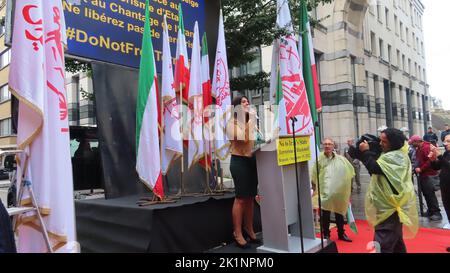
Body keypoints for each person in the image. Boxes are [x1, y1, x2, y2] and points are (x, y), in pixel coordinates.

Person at [359, 128, 418, 253]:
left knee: (383, 243)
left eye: (384, 142)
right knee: (396, 240)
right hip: (388, 206)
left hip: (390, 208)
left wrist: (365, 152)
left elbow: (374, 168)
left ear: (393, 143)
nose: (380, 144)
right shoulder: (394, 155)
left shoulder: (395, 157)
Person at [226, 95, 260, 249]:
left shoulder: (250, 121)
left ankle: (250, 229)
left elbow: (259, 140)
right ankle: (237, 232)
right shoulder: (231, 123)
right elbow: (242, 140)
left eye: (247, 101)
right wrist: (251, 120)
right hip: (239, 162)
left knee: (250, 197)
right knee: (241, 198)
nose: (247, 103)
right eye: (243, 102)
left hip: (252, 161)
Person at [311, 138, 355, 242]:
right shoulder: (319, 160)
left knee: (339, 213)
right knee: (325, 215)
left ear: (333, 146)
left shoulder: (340, 159)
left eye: (329, 144)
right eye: (325, 144)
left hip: (338, 192)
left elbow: (349, 172)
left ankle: (341, 233)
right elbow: (314, 175)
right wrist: (314, 189)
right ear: (322, 146)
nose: (327, 146)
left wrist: (347, 191)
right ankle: (326, 234)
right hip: (325, 192)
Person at [409, 135, 442, 221]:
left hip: (429, 175)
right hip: (424, 175)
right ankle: (431, 210)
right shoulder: (419, 148)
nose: (412, 144)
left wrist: (421, 168)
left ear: (417, 141)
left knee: (430, 194)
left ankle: (436, 212)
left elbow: (429, 161)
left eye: (413, 143)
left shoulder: (426, 148)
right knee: (426, 194)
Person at [429, 134, 450, 229]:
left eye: (448, 141)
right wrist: (432, 160)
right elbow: (437, 167)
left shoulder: (443, 155)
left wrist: (440, 156)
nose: (446, 144)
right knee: (447, 208)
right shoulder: (446, 153)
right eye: (445, 141)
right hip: (445, 186)